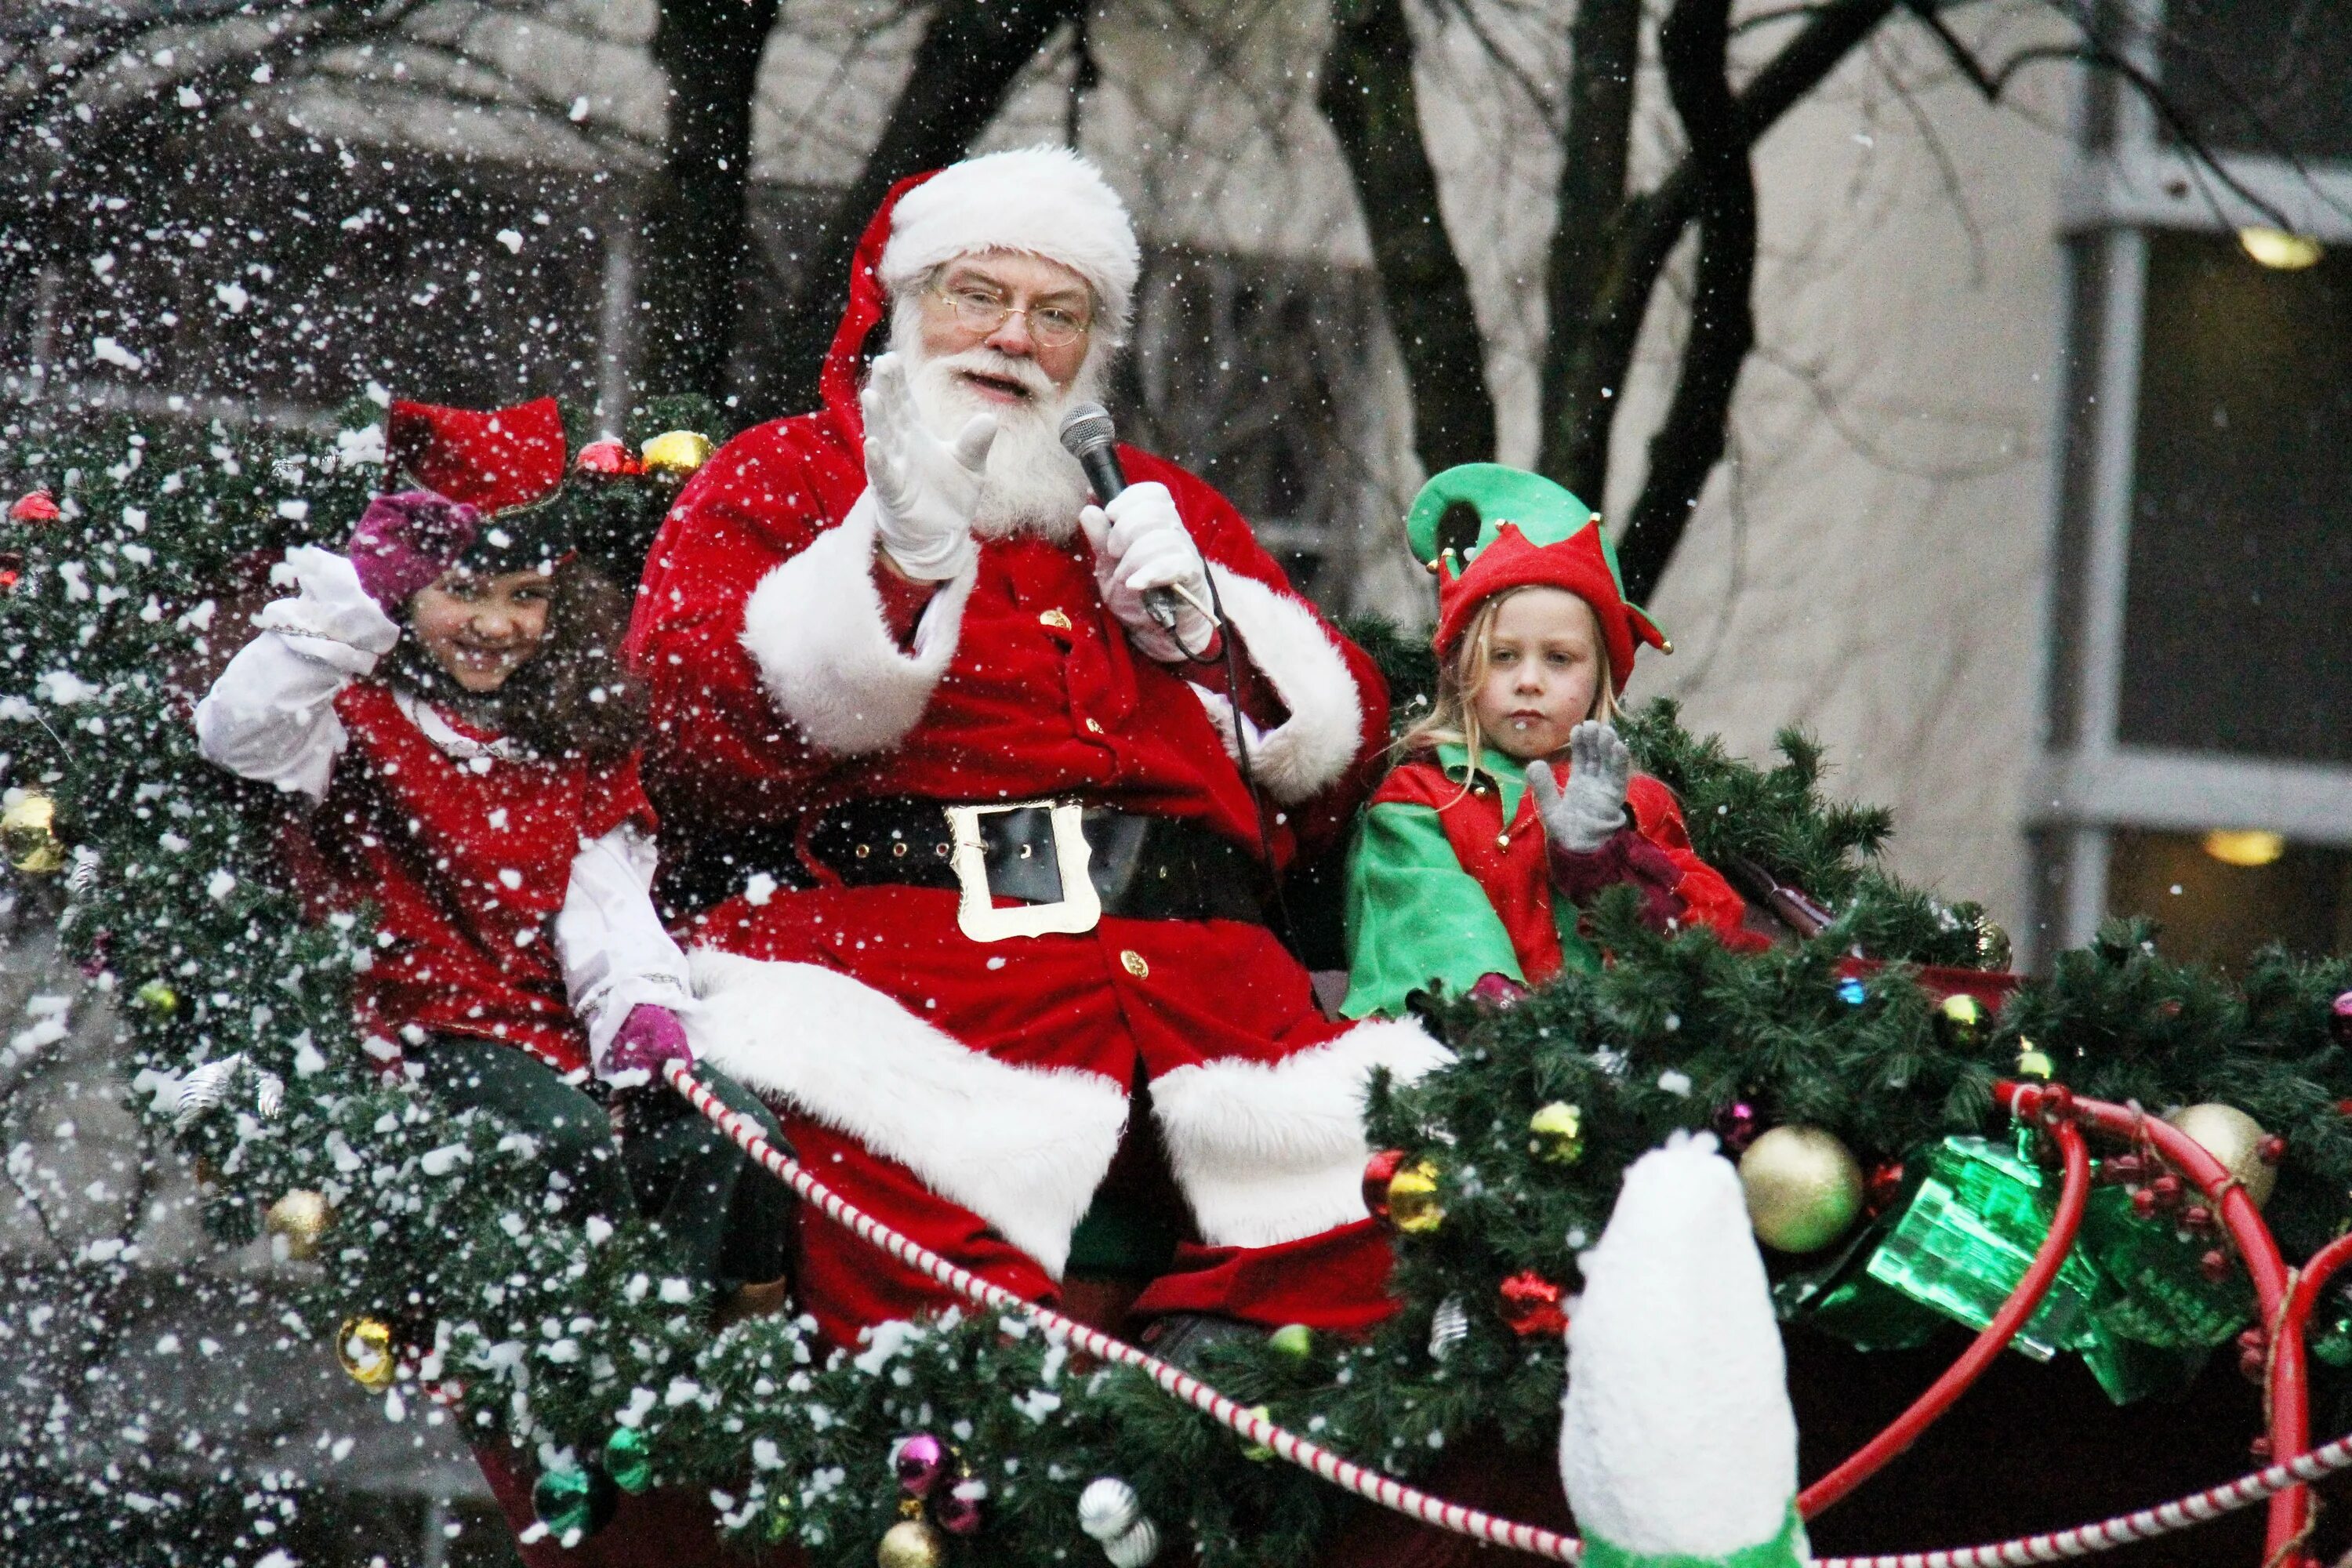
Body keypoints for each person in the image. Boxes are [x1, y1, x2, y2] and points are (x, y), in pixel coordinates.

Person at [626, 145, 1448, 1353]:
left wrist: (1214, 644)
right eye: (979, 296)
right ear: (903, 307)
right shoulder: (786, 478)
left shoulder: (1163, 507)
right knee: (939, 1347)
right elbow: (684, 738)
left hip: (1216, 1002)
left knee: (1412, 1218)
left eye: (1057, 314)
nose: (1013, 338)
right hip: (912, 1000)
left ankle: (1190, 1428)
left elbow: (1330, 788)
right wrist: (890, 568)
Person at [194, 395, 789, 1304]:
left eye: (527, 596)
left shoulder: (570, 732)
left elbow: (604, 899)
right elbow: (236, 732)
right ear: (409, 591)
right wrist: (360, 598)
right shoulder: (354, 716)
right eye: (463, 592)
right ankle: (594, 1335)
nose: (496, 623)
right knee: (571, 1144)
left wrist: (636, 1002)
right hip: (420, 1029)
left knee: (734, 1132)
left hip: (559, 1017)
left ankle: (707, 1341)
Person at [1342, 463, 1761, 1022]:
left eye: (1559, 658)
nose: (1529, 680)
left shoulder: (1638, 804)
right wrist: (1495, 1005)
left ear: (1600, 680)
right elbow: (1426, 914)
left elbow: (1704, 943)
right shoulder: (1420, 800)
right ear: (1462, 671)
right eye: (1504, 656)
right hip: (1463, 1068)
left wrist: (1609, 859)